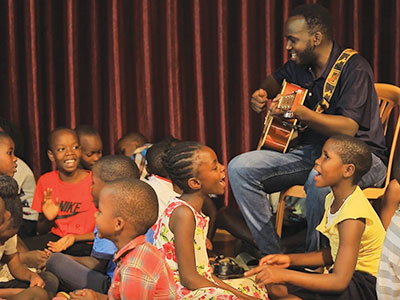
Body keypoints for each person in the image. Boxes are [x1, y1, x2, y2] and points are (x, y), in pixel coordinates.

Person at [228, 3, 387, 255]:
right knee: (240, 169)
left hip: (362, 157)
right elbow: (272, 83)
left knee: (319, 181)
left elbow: (348, 128)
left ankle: (316, 267)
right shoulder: (300, 65)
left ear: (316, 38)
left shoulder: (354, 68)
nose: (288, 47)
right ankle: (273, 255)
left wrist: (303, 114)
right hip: (315, 153)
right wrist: (260, 94)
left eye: (293, 40)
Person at [246, 135, 385, 299]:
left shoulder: (352, 217)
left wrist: (284, 275)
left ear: (347, 170)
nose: (317, 161)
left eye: (326, 157)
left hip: (365, 286)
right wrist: (288, 260)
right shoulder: (332, 198)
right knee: (274, 287)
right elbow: (333, 253)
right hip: (346, 277)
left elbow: (339, 282)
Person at [153, 141, 268, 299]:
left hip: (196, 284)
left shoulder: (192, 210)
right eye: (215, 168)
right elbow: (188, 279)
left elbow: (203, 272)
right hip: (177, 292)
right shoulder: (183, 214)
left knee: (253, 286)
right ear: (195, 183)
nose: (222, 167)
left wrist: (241, 295)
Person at [69, 178, 177, 300]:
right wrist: (95, 297)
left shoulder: (134, 267)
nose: (95, 215)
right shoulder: (137, 252)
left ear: (118, 224)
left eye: (99, 212)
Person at [46, 155, 139, 293]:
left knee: (55, 262)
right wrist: (75, 237)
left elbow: (97, 265)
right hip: (132, 282)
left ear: (108, 187)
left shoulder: (109, 216)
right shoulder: (138, 207)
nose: (90, 187)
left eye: (93, 183)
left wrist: (65, 258)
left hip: (112, 285)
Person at [23, 127, 97, 256]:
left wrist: (73, 238)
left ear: (80, 150)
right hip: (56, 239)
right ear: (51, 155)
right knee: (20, 248)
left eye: (75, 147)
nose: (70, 153)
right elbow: (41, 230)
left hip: (86, 242)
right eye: (61, 149)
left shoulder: (95, 180)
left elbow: (105, 232)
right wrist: (49, 218)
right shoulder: (45, 181)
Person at [0, 175, 59, 300]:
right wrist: (17, 293)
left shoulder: (7, 231)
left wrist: (32, 276)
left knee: (48, 280)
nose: (3, 243)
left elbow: (14, 263)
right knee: (38, 294)